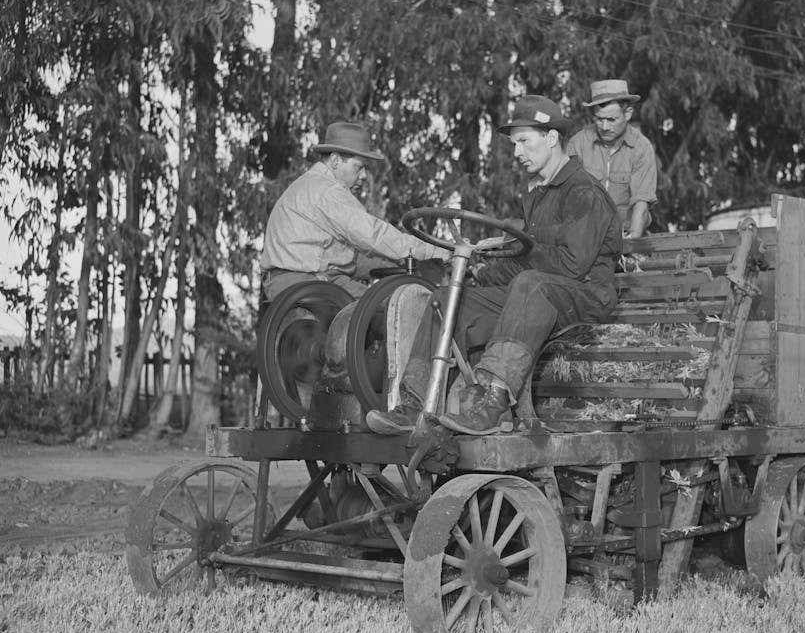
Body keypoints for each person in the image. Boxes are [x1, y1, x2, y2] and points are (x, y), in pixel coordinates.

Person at [366, 95, 622, 436]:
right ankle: (416, 403)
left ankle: (495, 401)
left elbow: (570, 265)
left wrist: (514, 251)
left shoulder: (582, 191)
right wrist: (481, 267)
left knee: (530, 284)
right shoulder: (538, 191)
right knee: (448, 299)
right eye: (515, 144)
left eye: (523, 142)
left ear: (550, 138)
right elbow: (527, 259)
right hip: (540, 293)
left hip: (587, 295)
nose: (517, 153)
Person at [260, 121, 449, 301]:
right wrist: (436, 251)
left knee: (384, 298)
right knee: (392, 308)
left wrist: (404, 263)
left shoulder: (310, 185)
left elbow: (346, 258)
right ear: (335, 161)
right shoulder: (328, 191)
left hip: (288, 280)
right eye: (358, 167)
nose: (364, 175)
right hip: (304, 282)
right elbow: (373, 235)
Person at [566, 79, 657, 239]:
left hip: (626, 232)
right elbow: (567, 196)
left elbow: (641, 201)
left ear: (627, 114)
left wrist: (633, 237)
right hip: (585, 235)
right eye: (599, 119)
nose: (605, 127)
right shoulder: (578, 144)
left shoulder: (641, 148)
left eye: (611, 120)